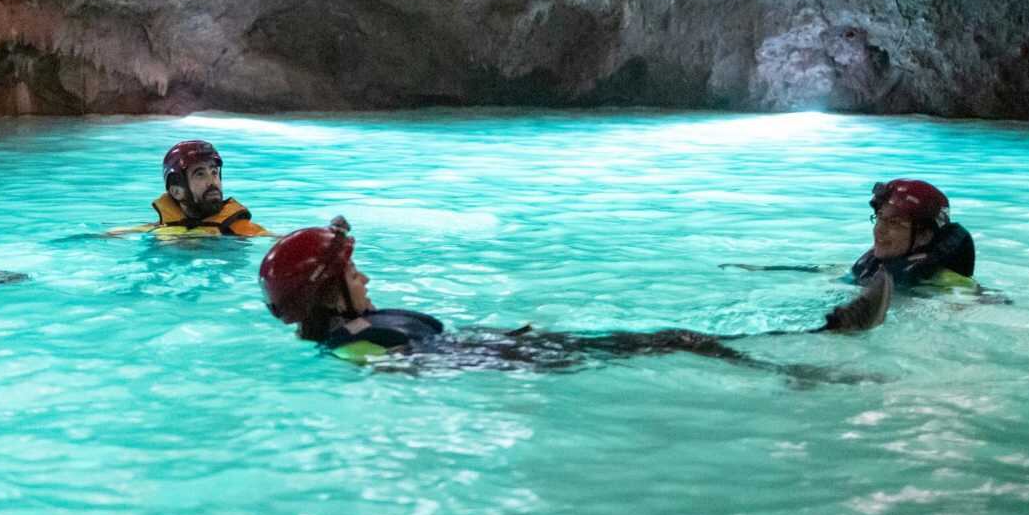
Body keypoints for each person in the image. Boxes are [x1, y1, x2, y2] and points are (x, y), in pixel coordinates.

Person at [258, 218, 890, 367]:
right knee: (674, 340)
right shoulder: (357, 349)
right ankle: (813, 351)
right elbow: (426, 370)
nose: (365, 278)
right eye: (352, 273)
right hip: (510, 364)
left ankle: (806, 343)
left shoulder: (355, 333)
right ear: (326, 294)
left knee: (669, 339)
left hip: (504, 352)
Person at [723, 179, 977, 289]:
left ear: (923, 236)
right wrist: (764, 270)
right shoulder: (874, 266)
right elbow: (828, 269)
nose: (880, 230)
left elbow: (980, 303)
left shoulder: (945, 284)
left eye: (895, 224)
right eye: (879, 220)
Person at [108, 140, 271, 238]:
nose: (212, 182)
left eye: (214, 172)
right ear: (176, 191)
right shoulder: (158, 229)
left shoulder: (238, 229)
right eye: (200, 174)